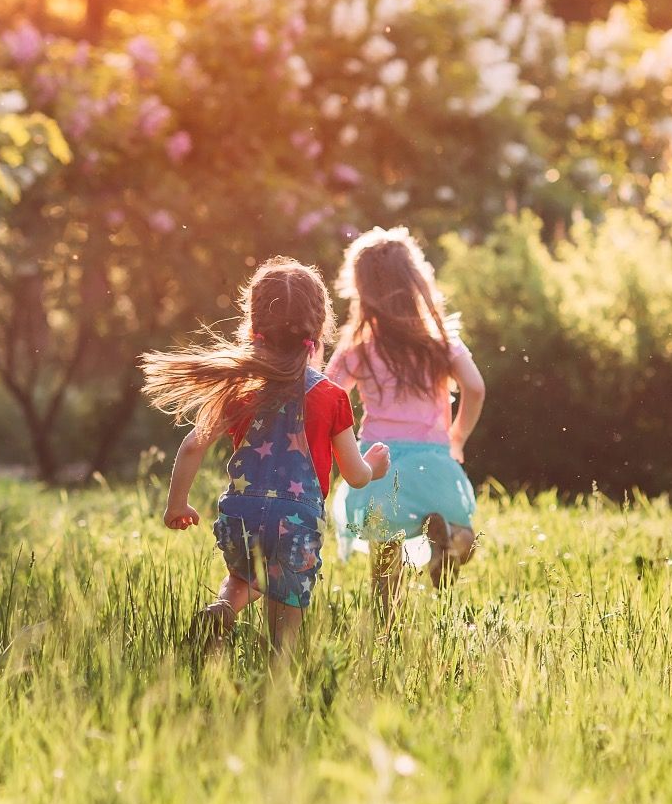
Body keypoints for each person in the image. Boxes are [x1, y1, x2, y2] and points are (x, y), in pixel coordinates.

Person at [143, 257, 390, 655]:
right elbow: (355, 475)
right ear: (319, 326)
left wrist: (177, 504)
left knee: (243, 579)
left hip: (242, 513)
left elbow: (192, 445)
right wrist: (375, 468)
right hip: (296, 519)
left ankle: (222, 610)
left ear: (253, 325)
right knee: (285, 620)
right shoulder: (331, 396)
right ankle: (275, 686)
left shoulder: (240, 388)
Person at [325, 227, 485, 606]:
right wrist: (458, 436)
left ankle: (387, 631)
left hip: (378, 463)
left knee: (385, 555)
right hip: (433, 460)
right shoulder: (440, 340)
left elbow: (328, 396)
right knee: (466, 535)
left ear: (361, 290)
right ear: (416, 279)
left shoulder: (359, 346)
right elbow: (475, 387)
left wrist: (335, 449)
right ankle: (449, 545)